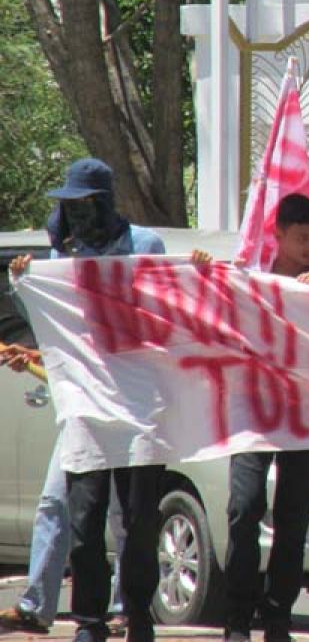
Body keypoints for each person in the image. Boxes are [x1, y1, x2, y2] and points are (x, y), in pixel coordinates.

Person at [4, 158, 166, 642]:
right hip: (85, 408)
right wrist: (27, 287)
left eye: (84, 205)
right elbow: (65, 331)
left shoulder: (145, 247)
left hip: (137, 406)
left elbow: (164, 317)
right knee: (81, 516)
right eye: (68, 207)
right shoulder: (62, 252)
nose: (75, 216)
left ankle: (136, 616)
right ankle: (89, 622)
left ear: (104, 202)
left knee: (134, 523)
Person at [214, 194, 309, 642]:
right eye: (302, 237)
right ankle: (238, 617)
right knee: (244, 509)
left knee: (293, 519)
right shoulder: (251, 282)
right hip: (254, 415)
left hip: (306, 418)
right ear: (278, 235)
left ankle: (279, 614)